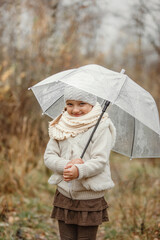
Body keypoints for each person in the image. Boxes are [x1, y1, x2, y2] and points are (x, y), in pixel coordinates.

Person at [44, 85, 116, 240]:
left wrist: (79, 170)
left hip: (88, 199)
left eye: (81, 104)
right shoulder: (61, 126)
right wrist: (67, 165)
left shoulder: (101, 127)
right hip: (64, 195)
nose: (75, 109)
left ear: (91, 104)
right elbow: (49, 156)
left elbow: (100, 160)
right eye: (70, 104)